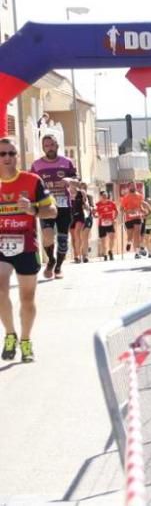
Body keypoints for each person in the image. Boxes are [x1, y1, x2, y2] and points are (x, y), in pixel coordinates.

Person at [0, 138, 57, 363]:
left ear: (17, 156)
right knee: (1, 291)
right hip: (1, 246)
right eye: (2, 154)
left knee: (27, 298)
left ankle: (25, 340)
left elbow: (51, 211)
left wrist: (33, 209)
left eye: (11, 153)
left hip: (26, 245)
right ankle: (10, 334)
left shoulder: (32, 181)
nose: (6, 158)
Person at [30, 134, 77, 280]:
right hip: (46, 205)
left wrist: (69, 180)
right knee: (48, 235)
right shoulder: (36, 165)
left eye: (52, 145)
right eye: (46, 145)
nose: (49, 148)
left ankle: (58, 268)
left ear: (57, 145)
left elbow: (77, 178)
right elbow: (31, 184)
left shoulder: (67, 162)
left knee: (63, 239)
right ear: (43, 148)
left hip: (64, 205)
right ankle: (51, 260)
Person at [120, 184, 151, 258]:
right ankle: (129, 242)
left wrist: (144, 211)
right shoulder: (126, 197)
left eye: (134, 186)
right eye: (131, 186)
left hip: (137, 217)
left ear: (135, 187)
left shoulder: (139, 196)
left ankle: (137, 253)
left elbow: (140, 206)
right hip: (129, 218)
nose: (133, 187)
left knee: (137, 235)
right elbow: (121, 208)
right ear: (129, 187)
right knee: (130, 236)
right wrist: (127, 211)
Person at [70, 182, 93, 263]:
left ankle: (85, 255)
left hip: (86, 217)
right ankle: (77, 255)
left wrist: (87, 206)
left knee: (84, 236)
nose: (83, 189)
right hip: (73, 217)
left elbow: (91, 207)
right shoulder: (69, 194)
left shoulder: (87, 196)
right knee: (75, 237)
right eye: (81, 187)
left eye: (85, 188)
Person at [95, 190, 118, 260]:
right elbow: (94, 213)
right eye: (103, 196)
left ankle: (110, 251)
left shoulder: (111, 203)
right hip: (101, 224)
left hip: (110, 223)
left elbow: (116, 212)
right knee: (103, 240)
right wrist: (97, 216)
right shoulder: (97, 204)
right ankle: (105, 254)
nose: (105, 197)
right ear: (100, 197)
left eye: (106, 195)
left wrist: (114, 219)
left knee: (112, 237)